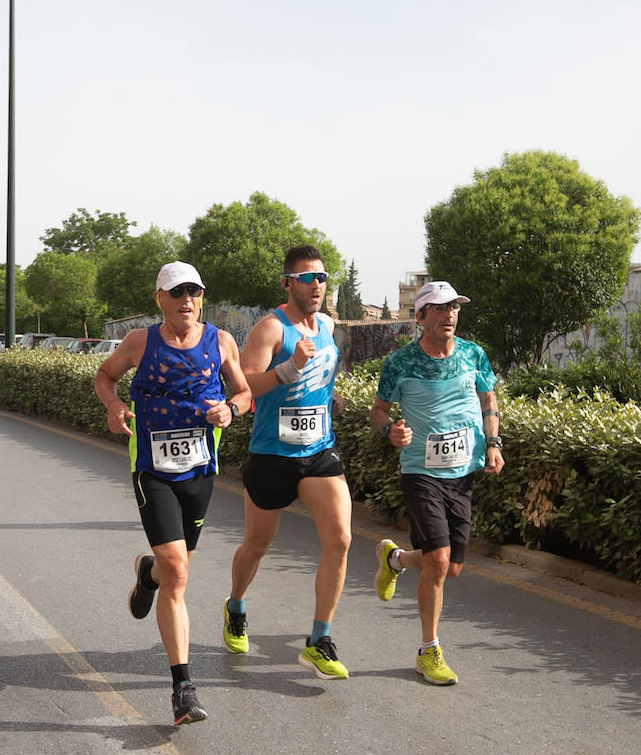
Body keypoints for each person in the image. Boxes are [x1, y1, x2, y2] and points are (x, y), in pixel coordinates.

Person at [94, 261, 251, 725]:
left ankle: (148, 576)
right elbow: (105, 378)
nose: (187, 300)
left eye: (195, 292)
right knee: (179, 572)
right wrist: (115, 405)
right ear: (159, 298)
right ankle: (183, 686)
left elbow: (244, 393)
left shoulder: (220, 341)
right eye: (177, 292)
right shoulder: (141, 342)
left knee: (170, 568)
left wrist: (230, 410)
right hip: (152, 468)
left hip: (200, 469)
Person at [224, 245, 352, 680]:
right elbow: (242, 387)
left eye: (321, 277)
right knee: (256, 546)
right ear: (287, 283)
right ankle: (236, 604)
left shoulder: (329, 325)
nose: (315, 285)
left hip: (318, 451)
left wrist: (324, 392)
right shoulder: (270, 329)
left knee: (340, 539)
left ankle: (319, 639)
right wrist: (288, 371)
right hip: (272, 454)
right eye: (305, 278)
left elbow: (325, 370)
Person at [369, 281, 504, 686]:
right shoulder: (400, 362)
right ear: (420, 316)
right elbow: (378, 411)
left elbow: (488, 401)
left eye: (455, 308)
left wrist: (493, 444)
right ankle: (429, 651)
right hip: (421, 472)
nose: (450, 315)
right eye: (440, 308)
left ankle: (394, 561)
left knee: (451, 567)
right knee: (440, 560)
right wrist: (390, 430)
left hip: (463, 472)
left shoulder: (472, 354)